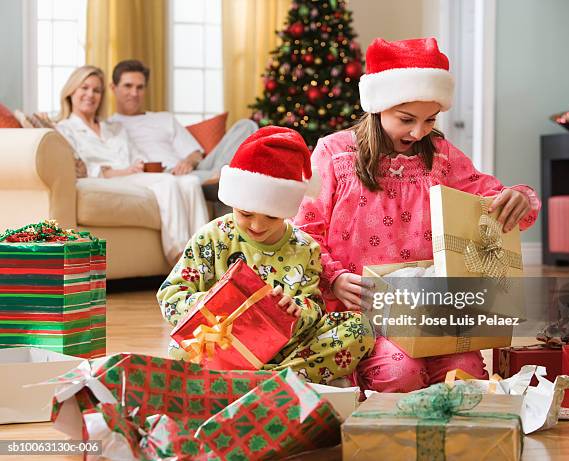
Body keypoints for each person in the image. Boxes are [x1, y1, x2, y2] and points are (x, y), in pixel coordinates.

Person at [293, 37, 542, 393]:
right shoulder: (334, 153)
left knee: (467, 372)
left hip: (432, 310)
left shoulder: (440, 155)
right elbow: (304, 229)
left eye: (430, 119)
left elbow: (487, 195)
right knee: (400, 372)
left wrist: (516, 197)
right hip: (362, 311)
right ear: (379, 106)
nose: (418, 131)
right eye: (406, 119)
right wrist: (332, 278)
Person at [157, 126, 374, 384]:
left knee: (358, 329)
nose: (257, 226)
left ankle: (261, 379)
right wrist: (216, 304)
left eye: (271, 216)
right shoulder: (211, 237)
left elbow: (314, 309)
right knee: (181, 349)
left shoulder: (305, 249)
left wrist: (297, 310)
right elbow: (170, 296)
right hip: (224, 345)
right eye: (246, 214)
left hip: (286, 351)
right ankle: (277, 380)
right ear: (232, 201)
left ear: (287, 210)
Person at [55, 66, 208, 264]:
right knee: (167, 183)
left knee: (190, 182)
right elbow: (84, 168)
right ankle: (180, 259)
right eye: (84, 88)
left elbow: (137, 156)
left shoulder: (114, 127)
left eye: (96, 90)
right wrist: (124, 171)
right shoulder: (64, 129)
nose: (90, 95)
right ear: (71, 92)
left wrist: (139, 165)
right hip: (110, 180)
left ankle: (206, 253)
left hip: (133, 176)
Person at [108, 59, 258, 186]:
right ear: (113, 88)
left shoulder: (164, 118)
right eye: (128, 86)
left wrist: (188, 163)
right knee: (232, 180)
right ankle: (224, 178)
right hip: (166, 177)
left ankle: (221, 175)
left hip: (194, 171)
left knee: (246, 125)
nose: (134, 93)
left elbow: (195, 154)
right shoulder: (109, 128)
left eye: (139, 87)